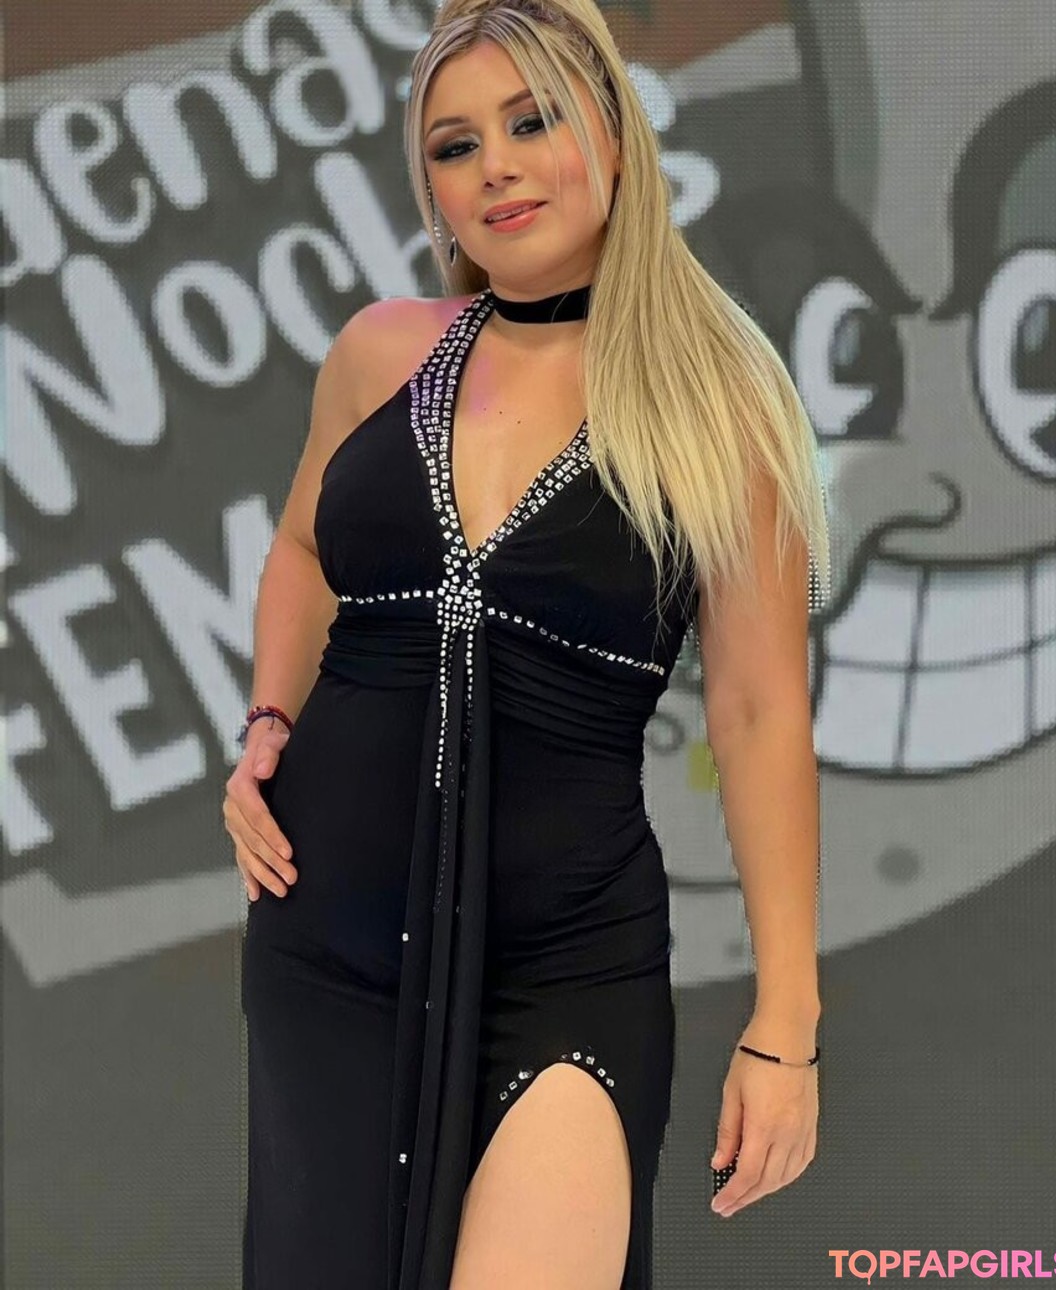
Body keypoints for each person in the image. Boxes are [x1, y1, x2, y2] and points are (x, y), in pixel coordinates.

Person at [222, 0, 830, 1285]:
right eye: (455, 145)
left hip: (567, 964)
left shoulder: (718, 402)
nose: (494, 166)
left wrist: (788, 1020)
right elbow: (304, 552)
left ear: (611, 131)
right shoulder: (381, 353)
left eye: (532, 120)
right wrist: (267, 725)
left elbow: (761, 714)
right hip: (327, 950)